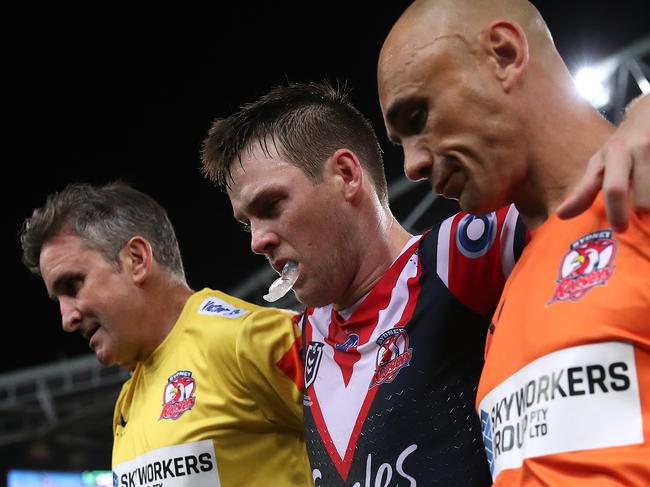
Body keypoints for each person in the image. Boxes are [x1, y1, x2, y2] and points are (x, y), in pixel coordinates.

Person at [377, 0, 650, 484]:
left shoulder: (640, 190)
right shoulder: (512, 281)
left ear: (503, 54)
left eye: (418, 115)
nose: (412, 166)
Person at [201, 81, 527, 486]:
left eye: (271, 206)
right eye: (247, 223)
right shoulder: (296, 343)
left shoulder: (456, 259)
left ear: (346, 174)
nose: (257, 241)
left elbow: (575, 181)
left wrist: (634, 121)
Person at [19, 181, 312, 487]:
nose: (67, 318)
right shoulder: (127, 402)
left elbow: (363, 442)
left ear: (136, 260)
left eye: (73, 286)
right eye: (59, 301)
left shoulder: (250, 339)